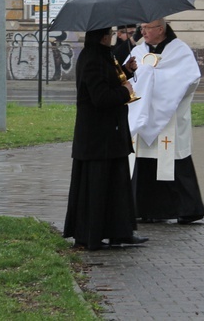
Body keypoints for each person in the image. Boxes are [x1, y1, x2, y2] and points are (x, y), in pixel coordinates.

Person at [62, 27, 147, 251]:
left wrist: (127, 72)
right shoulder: (92, 59)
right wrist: (126, 92)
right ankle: (93, 235)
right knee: (97, 188)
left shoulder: (103, 55)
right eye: (109, 33)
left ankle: (120, 232)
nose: (112, 36)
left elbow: (110, 80)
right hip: (98, 138)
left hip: (110, 135)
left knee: (115, 187)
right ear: (102, 36)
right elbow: (100, 97)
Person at [126, 19, 204, 224]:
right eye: (141, 28)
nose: (142, 32)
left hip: (170, 115)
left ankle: (187, 209)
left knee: (174, 160)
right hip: (144, 114)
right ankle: (145, 209)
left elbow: (191, 78)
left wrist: (160, 81)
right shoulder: (138, 51)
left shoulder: (179, 50)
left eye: (146, 28)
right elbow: (128, 77)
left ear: (160, 29)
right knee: (144, 162)